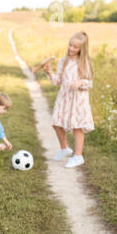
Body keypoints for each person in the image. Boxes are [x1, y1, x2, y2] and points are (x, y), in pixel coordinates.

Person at [44, 31, 94, 168]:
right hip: (64, 98)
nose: (71, 49)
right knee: (56, 123)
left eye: (75, 47)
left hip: (78, 100)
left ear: (81, 49)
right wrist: (49, 73)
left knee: (77, 127)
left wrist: (80, 83)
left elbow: (90, 83)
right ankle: (64, 148)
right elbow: (57, 82)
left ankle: (78, 156)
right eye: (70, 45)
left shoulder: (84, 63)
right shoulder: (63, 61)